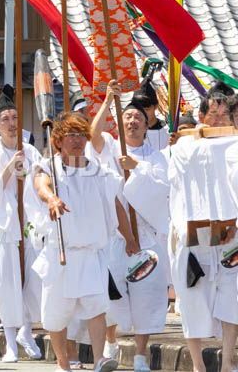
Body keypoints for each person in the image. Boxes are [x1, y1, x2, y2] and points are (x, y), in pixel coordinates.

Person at [32, 111, 134, 372]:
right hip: (61, 252)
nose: (77, 140)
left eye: (81, 135)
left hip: (91, 253)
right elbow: (41, 185)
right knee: (57, 315)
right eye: (70, 135)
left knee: (97, 308)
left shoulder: (98, 170)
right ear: (58, 140)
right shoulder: (50, 167)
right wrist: (52, 199)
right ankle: (63, 362)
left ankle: (99, 358)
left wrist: (130, 238)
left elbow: (115, 206)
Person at [90, 93, 171, 371]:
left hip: (147, 236)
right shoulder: (111, 146)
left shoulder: (156, 156)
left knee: (147, 296)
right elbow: (93, 135)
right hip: (115, 235)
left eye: (138, 117)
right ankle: (110, 342)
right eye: (127, 116)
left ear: (147, 125)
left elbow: (163, 189)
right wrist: (108, 99)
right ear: (120, 122)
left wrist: (137, 168)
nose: (133, 120)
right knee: (113, 295)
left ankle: (140, 355)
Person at [0, 84, 44, 362]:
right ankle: (10, 344)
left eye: (15, 118)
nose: (11, 123)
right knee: (7, 284)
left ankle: (26, 330)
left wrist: (27, 173)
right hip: (6, 227)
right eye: (5, 119)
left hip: (29, 226)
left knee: (33, 281)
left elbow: (42, 181)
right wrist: (9, 167)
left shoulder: (30, 151)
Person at [168, 112, 238, 372]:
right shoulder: (185, 146)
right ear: (203, 116)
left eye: (225, 116)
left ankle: (227, 362)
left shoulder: (233, 146)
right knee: (191, 297)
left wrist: (235, 221)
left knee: (232, 296)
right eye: (213, 114)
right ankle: (198, 364)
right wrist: (187, 140)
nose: (218, 121)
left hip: (230, 231)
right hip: (193, 231)